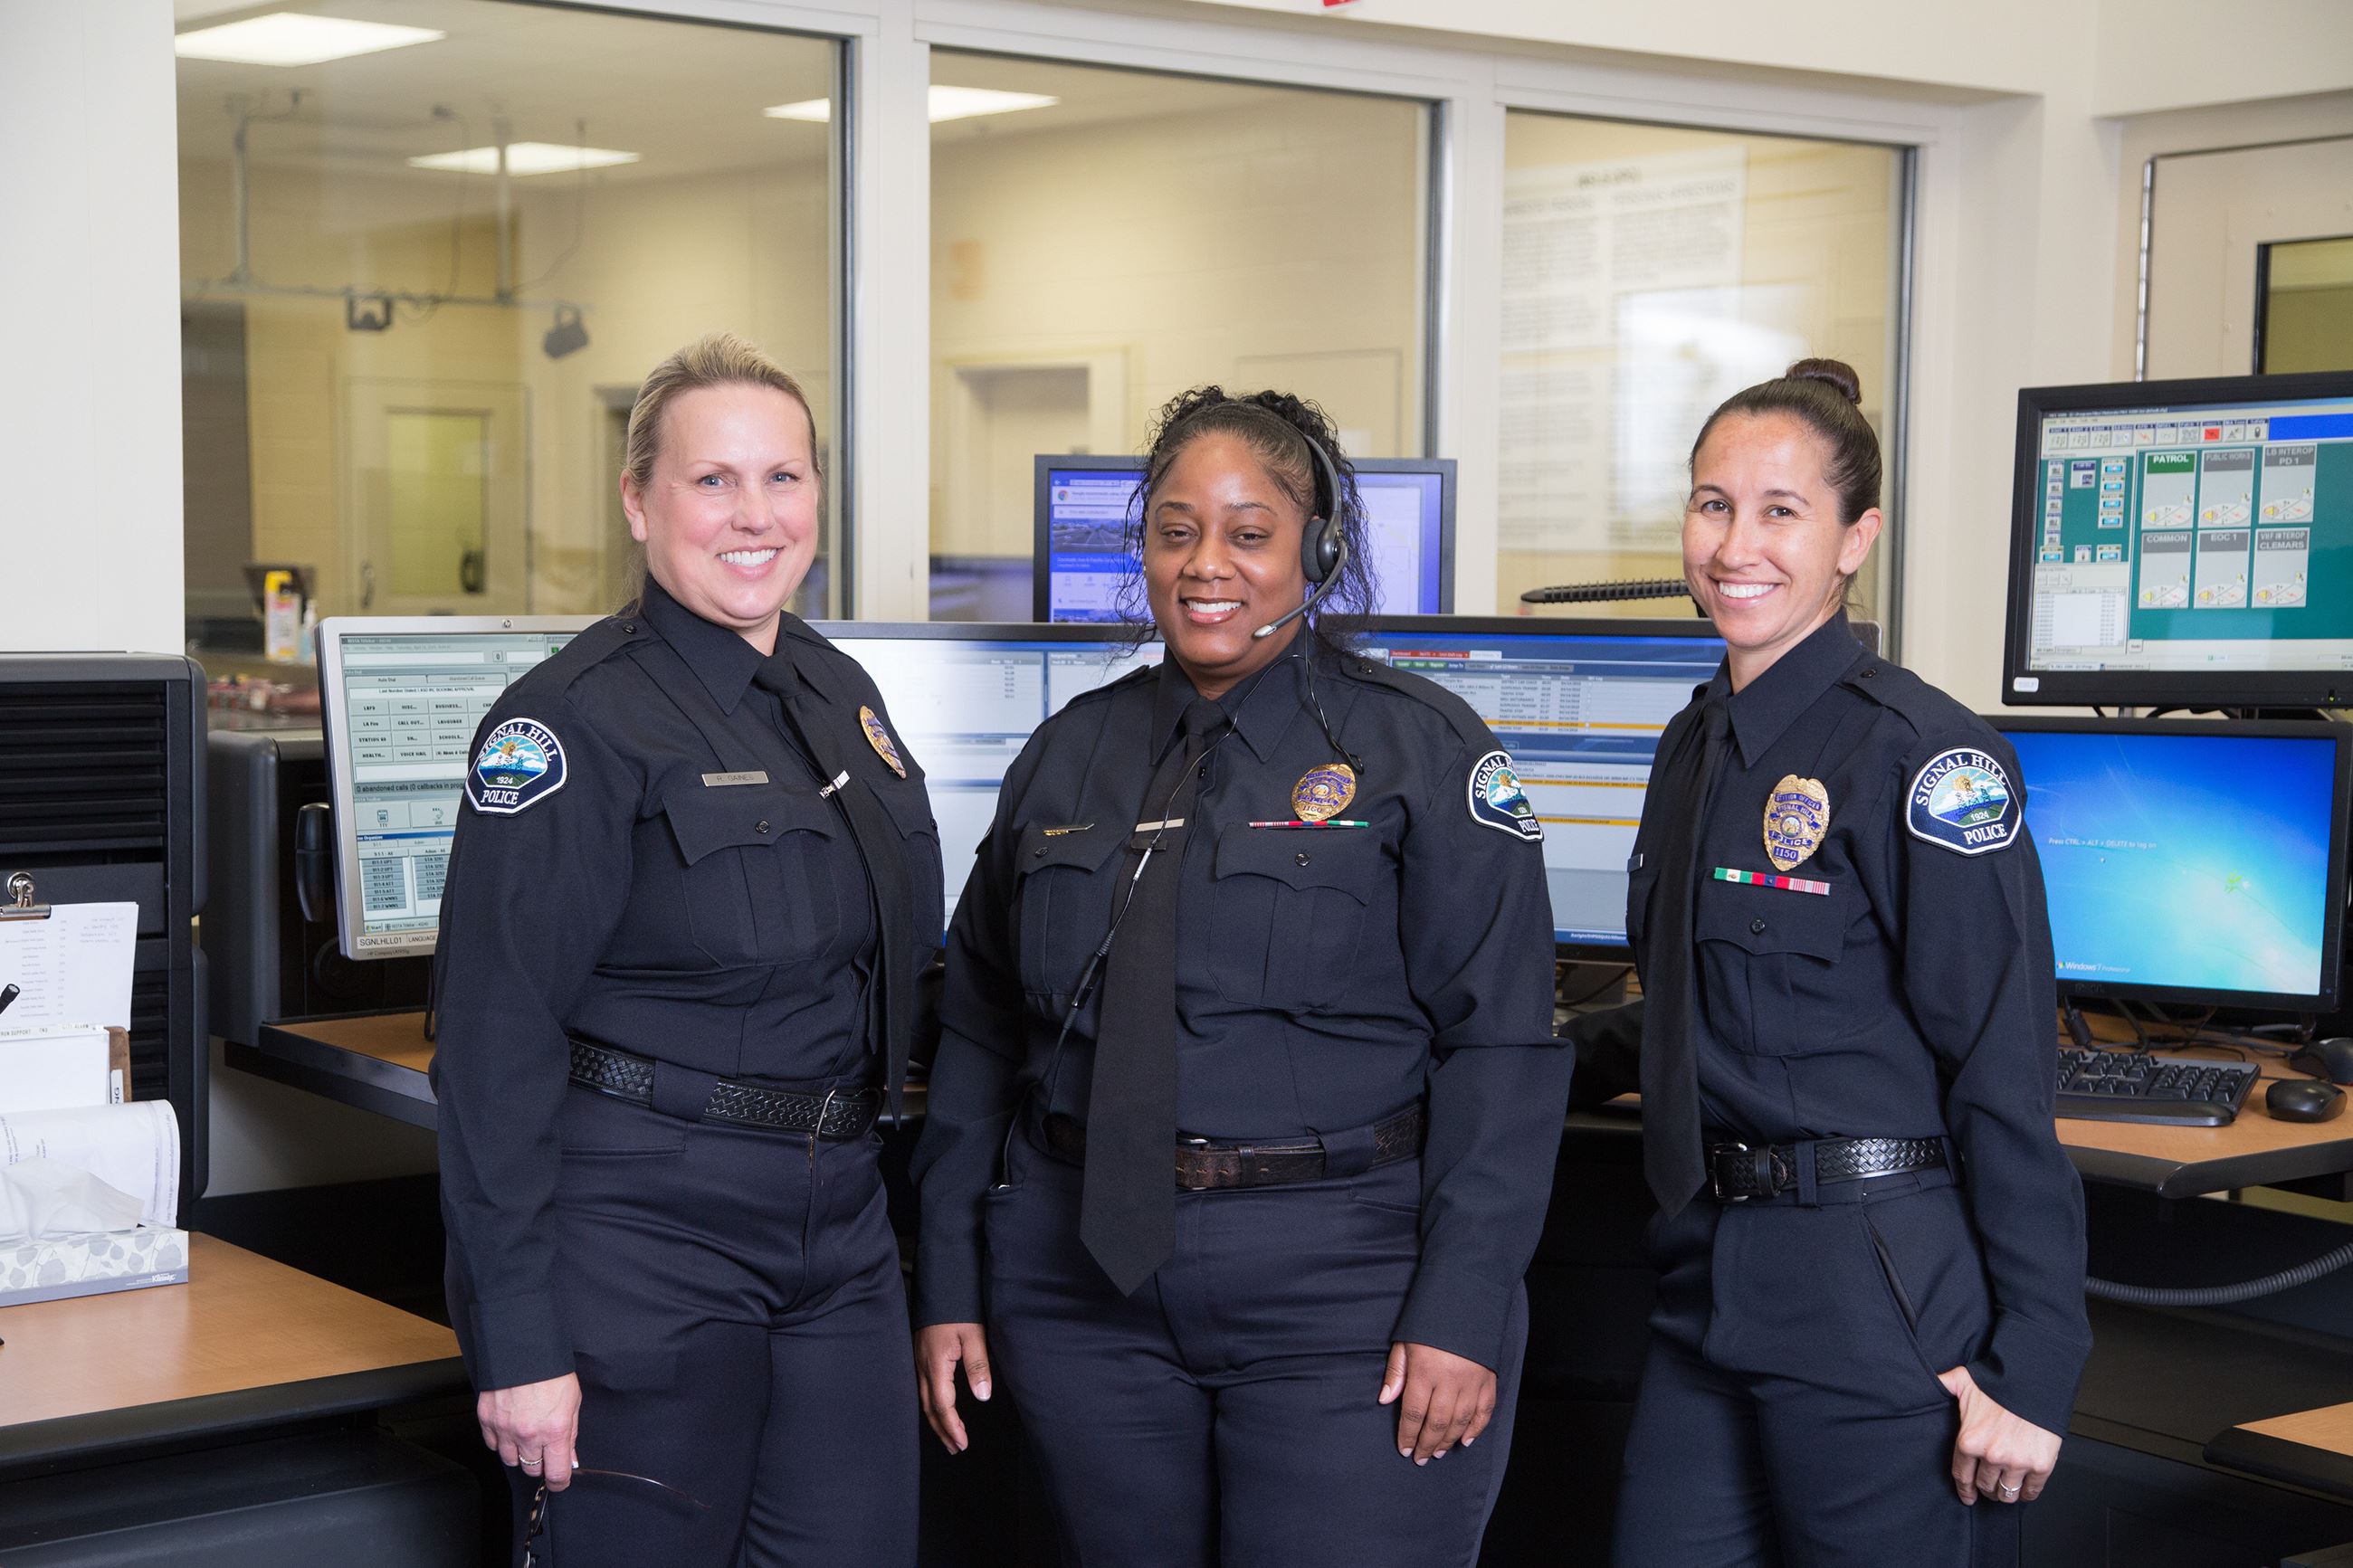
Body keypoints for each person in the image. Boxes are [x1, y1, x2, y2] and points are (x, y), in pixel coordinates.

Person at [910, 387, 1569, 1566]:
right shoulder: (1067, 754)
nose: (1206, 564)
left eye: (1249, 532)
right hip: (1081, 1294)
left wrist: (1464, 1305)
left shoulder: (1422, 750)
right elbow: (978, 1031)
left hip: (1343, 1289)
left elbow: (1503, 1046)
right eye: (1176, 530)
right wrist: (952, 1276)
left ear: (1318, 550)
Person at [1567, 358, 2091, 1566]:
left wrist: (2036, 1364)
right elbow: (1689, 1009)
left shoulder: (1927, 760)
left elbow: (2004, 1072)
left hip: (1872, 1289)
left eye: (1780, 511)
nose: (1733, 546)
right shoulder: (1694, 743)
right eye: (1713, 505)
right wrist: (1496, 1065)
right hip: (1704, 1274)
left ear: (1857, 539)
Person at [432, 332, 943, 1566]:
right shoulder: (568, 722)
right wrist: (518, 1340)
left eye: (783, 477)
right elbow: (493, 1044)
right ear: (638, 501)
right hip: (644, 1237)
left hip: (840, 1232)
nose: (754, 515)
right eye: (713, 480)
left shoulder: (838, 690)